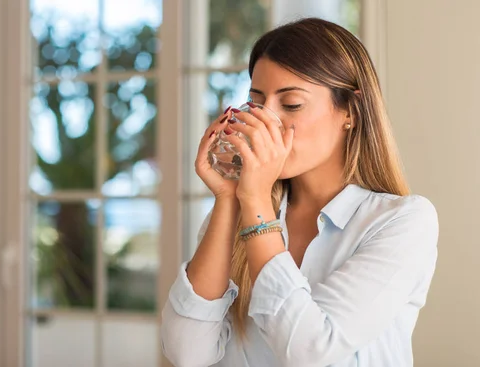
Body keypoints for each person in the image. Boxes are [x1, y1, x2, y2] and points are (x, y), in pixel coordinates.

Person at [160, 17, 439, 367]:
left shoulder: (402, 222)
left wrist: (256, 201)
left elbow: (310, 352)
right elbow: (187, 353)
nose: (267, 121)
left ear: (349, 112)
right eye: (256, 102)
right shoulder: (238, 211)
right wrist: (229, 199)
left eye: (291, 104)